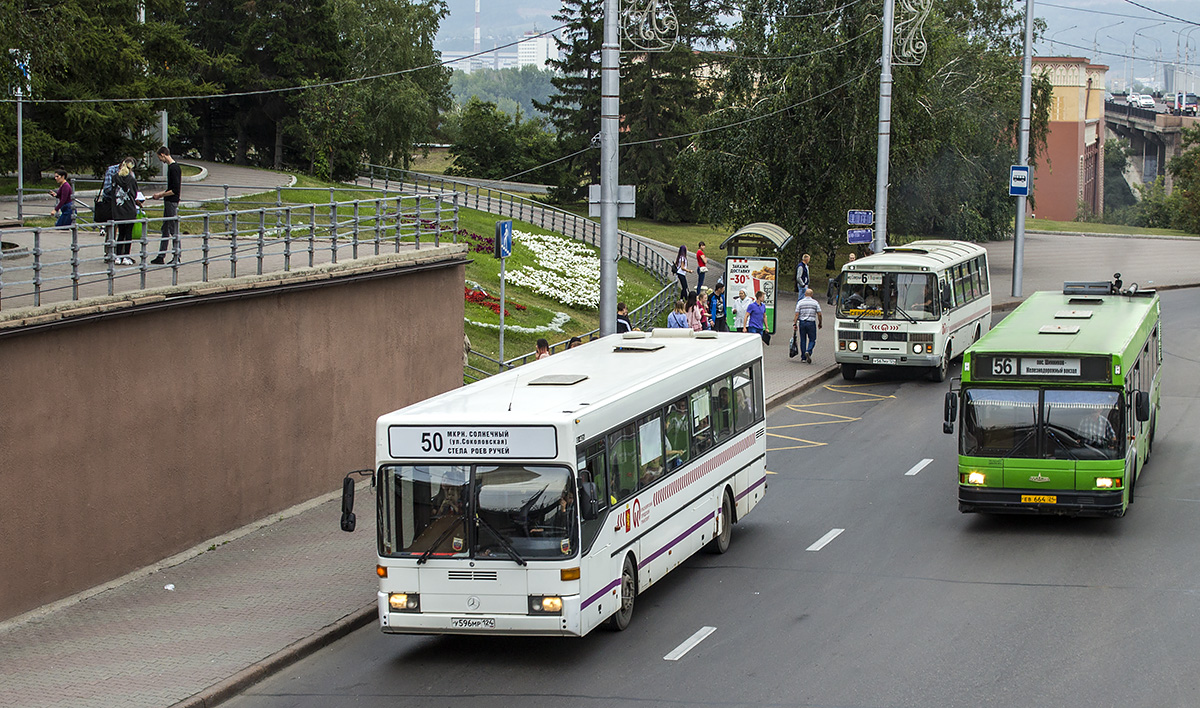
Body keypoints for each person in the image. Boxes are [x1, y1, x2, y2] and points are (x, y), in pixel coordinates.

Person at [150, 146, 182, 265]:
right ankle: (161, 255)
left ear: (163, 154)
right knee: (165, 228)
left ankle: (176, 256)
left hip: (171, 201)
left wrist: (160, 194)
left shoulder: (173, 168)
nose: (160, 160)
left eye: (159, 158)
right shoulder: (173, 167)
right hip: (169, 201)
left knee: (173, 229)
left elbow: (174, 189)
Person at [111, 158, 139, 266]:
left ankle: (118, 256)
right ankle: (126, 256)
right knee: (128, 234)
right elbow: (135, 194)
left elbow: (111, 191)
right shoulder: (132, 180)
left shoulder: (114, 178)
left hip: (118, 210)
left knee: (120, 233)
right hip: (130, 210)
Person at [792, 288, 824, 363]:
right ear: (812, 295)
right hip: (811, 322)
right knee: (812, 339)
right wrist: (820, 323)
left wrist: (795, 323)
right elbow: (819, 314)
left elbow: (797, 314)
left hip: (802, 322)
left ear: (805, 294)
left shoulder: (800, 302)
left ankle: (803, 357)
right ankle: (808, 351)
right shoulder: (815, 303)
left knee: (803, 339)